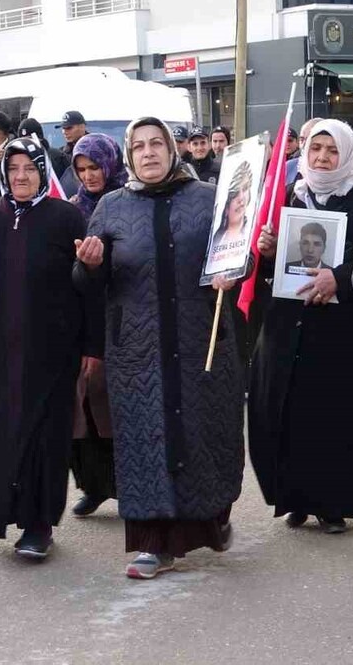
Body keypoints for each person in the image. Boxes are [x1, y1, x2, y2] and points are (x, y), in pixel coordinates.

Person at [75, 116, 245, 580]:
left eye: (157, 144)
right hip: (139, 350)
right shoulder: (111, 207)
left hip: (200, 342)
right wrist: (88, 267)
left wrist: (237, 271)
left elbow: (235, 254)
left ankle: (212, 518)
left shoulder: (208, 199)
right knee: (145, 441)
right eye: (139, 146)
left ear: (172, 150)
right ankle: (152, 545)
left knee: (202, 434)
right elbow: (91, 284)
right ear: (128, 156)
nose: (149, 152)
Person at [248, 118, 353, 535]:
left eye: (331, 150)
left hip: (344, 326)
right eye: (315, 149)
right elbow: (281, 263)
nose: (323, 158)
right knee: (288, 410)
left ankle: (335, 503)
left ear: (346, 153)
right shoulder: (290, 193)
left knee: (336, 412)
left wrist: (337, 278)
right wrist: (269, 251)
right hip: (291, 324)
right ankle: (295, 497)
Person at [0, 138, 88, 559]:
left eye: (30, 168)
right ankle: (5, 512)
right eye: (14, 167)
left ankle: (39, 525)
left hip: (51, 352)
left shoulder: (67, 217)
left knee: (44, 436)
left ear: (42, 172)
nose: (21, 176)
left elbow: (86, 283)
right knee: (1, 432)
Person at [67, 133, 127, 518]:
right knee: (82, 409)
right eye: (82, 169)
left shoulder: (127, 203)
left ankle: (126, 485)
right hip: (80, 318)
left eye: (95, 167)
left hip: (120, 317)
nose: (89, 176)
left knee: (115, 408)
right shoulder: (72, 209)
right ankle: (93, 484)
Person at [209, 160, 254, 257]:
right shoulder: (213, 240)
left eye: (245, 188)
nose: (241, 198)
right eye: (235, 193)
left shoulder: (254, 235)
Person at [18, 116, 72, 182]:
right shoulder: (17, 160)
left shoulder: (58, 157)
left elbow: (69, 183)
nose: (28, 144)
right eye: (24, 141)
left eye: (30, 140)